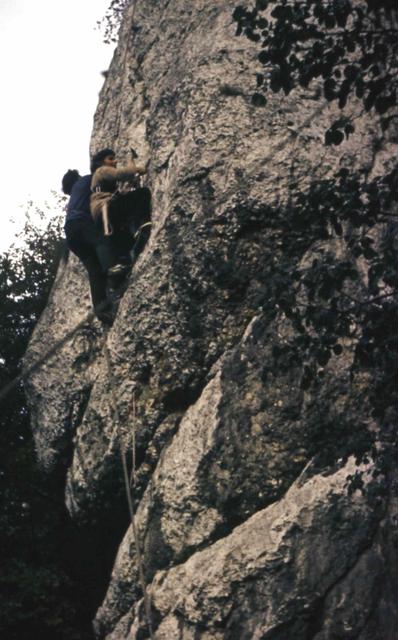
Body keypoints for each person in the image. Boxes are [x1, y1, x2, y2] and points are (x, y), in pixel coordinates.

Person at [90, 148, 152, 280]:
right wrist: (139, 168)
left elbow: (122, 185)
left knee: (121, 236)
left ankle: (122, 266)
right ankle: (141, 225)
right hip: (106, 208)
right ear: (101, 162)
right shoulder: (101, 170)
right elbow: (122, 174)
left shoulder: (101, 180)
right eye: (111, 159)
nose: (115, 161)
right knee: (142, 193)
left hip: (104, 212)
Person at [62, 169, 114, 325]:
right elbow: (102, 177)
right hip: (81, 224)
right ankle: (115, 272)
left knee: (94, 270)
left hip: (71, 234)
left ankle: (101, 309)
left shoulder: (73, 198)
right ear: (76, 177)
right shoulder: (83, 181)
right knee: (102, 241)